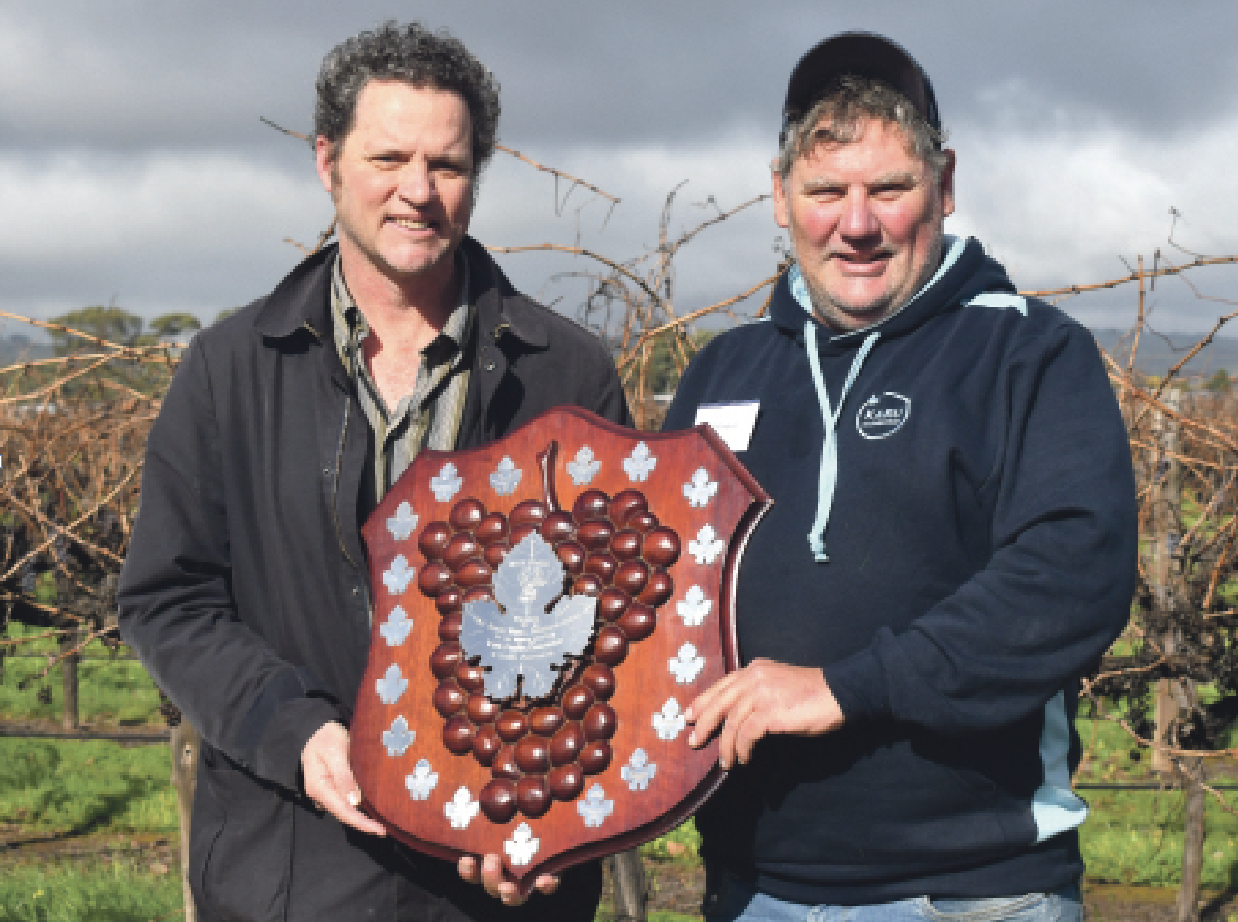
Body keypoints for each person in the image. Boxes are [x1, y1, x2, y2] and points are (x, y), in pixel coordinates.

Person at [118, 21, 628, 922]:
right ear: (327, 162)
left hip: (496, 889)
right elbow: (169, 598)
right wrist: (296, 729)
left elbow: (614, 632)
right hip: (289, 876)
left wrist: (556, 825)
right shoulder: (231, 370)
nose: (418, 193)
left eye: (449, 164)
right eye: (388, 157)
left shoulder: (568, 375)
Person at [663, 32, 1137, 922]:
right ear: (779, 196)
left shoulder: (1027, 355)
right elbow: (648, 611)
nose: (857, 224)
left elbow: (1073, 576)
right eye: (825, 192)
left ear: (945, 184)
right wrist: (557, 817)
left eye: (889, 189)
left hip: (970, 892)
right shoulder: (720, 376)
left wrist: (844, 687)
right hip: (746, 889)